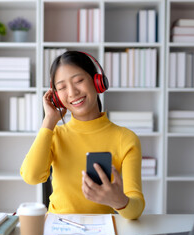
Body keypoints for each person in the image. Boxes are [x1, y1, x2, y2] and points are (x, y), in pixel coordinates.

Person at [20, 50, 145, 220]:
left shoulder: (126, 139)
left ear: (97, 82)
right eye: (62, 87)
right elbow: (31, 176)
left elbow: (135, 210)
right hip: (57, 229)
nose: (72, 92)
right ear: (56, 97)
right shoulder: (54, 134)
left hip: (101, 231)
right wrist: (49, 120)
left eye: (79, 81)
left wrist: (119, 201)